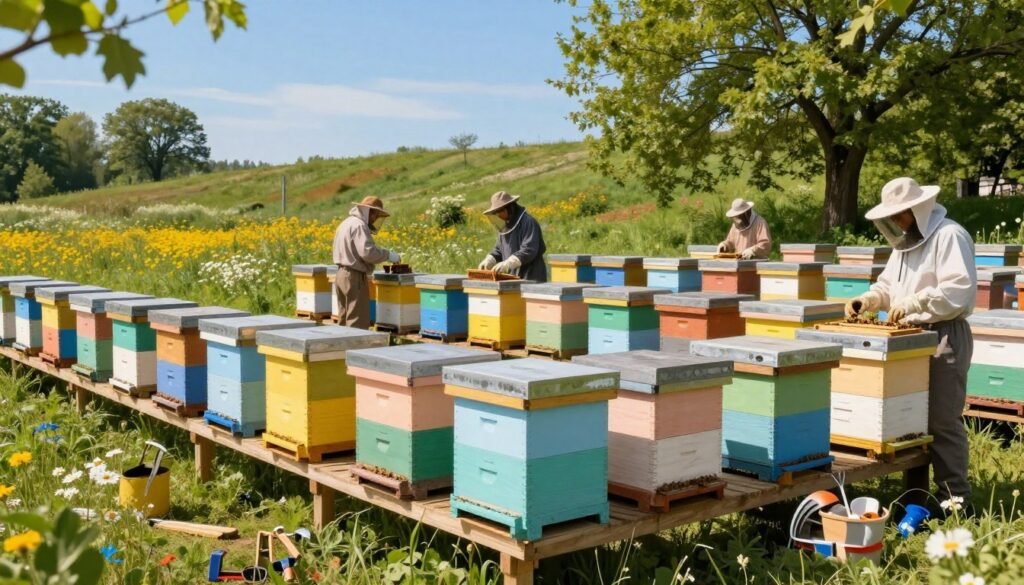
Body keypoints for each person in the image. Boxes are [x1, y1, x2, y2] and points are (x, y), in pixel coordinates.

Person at [846, 177, 976, 503]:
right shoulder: (905, 244)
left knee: (942, 421)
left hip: (944, 333)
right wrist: (870, 300)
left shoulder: (950, 236)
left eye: (902, 214)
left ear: (918, 208)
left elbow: (959, 291)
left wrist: (917, 302)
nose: (897, 221)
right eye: (894, 216)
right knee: (911, 419)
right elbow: (889, 286)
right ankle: (915, 495)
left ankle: (955, 500)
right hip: (910, 337)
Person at [332, 196, 400, 329]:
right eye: (375, 215)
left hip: (341, 274)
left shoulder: (346, 223)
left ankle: (342, 348)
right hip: (353, 276)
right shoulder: (359, 225)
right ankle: (355, 348)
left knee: (344, 319)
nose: (375, 219)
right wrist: (388, 255)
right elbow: (368, 252)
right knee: (356, 321)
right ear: (369, 212)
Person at [477, 191, 548, 282]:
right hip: (514, 278)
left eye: (499, 211)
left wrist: (508, 263)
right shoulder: (506, 227)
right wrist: (490, 259)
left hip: (531, 277)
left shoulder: (528, 222)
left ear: (509, 208)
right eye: (495, 212)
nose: (498, 215)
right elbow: (499, 250)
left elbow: (529, 250)